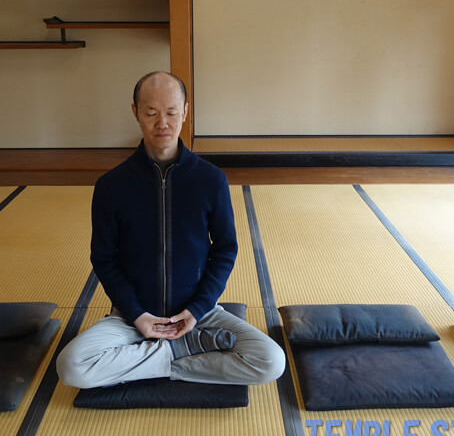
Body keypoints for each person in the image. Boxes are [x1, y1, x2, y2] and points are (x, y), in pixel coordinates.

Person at [57, 71, 285, 388]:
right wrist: (137, 315)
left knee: (271, 361)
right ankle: (179, 354)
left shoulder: (211, 179)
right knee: (71, 367)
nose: (162, 122)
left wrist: (196, 310)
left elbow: (225, 250)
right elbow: (104, 258)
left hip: (200, 315)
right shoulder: (111, 186)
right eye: (151, 113)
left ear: (185, 112)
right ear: (135, 112)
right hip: (132, 318)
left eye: (171, 112)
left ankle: (155, 359)